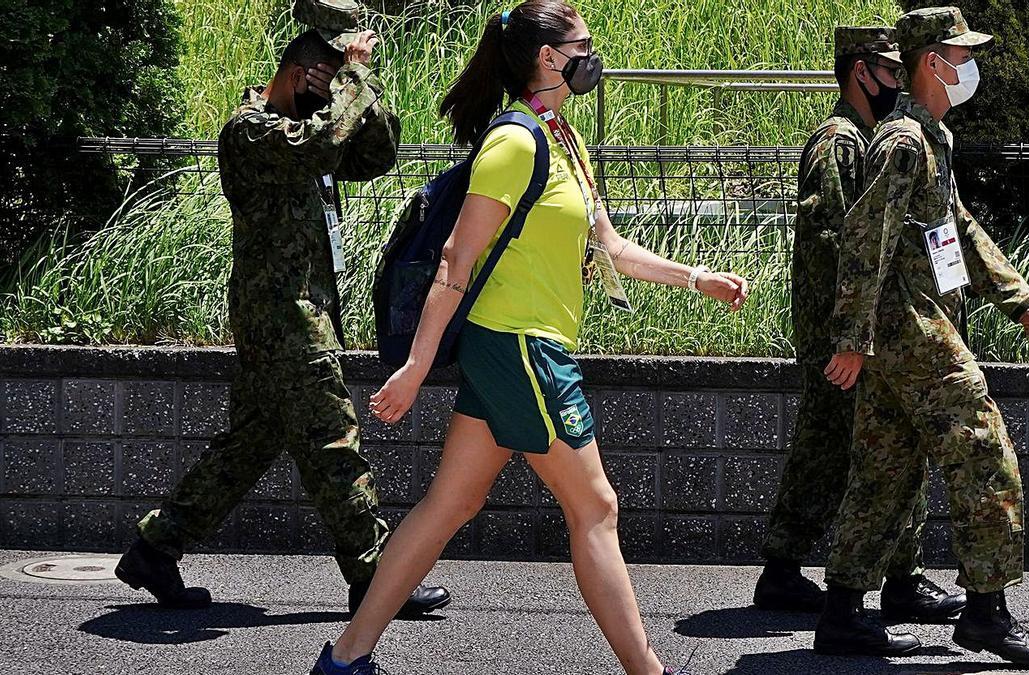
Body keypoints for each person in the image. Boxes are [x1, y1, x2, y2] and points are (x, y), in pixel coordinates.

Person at [309, 2, 748, 673]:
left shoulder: (563, 138)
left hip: (522, 344)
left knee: (452, 502)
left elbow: (612, 248)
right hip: (520, 346)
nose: (593, 55)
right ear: (548, 56)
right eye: (584, 44)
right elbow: (457, 260)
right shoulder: (514, 141)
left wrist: (697, 278)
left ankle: (344, 657)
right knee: (596, 505)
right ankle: (648, 669)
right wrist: (416, 366)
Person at [114, 1, 449, 620]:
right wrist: (350, 80)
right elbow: (323, 141)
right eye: (326, 84)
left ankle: (155, 549)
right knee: (331, 437)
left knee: (246, 445)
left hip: (303, 311)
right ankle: (374, 573)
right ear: (300, 74)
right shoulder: (255, 130)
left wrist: (358, 85)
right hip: (283, 317)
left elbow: (377, 156)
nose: (334, 100)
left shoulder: (309, 131)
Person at [813, 7, 1029, 664]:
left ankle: (841, 610)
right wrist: (851, 336)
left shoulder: (932, 140)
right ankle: (987, 610)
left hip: (911, 325)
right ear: (933, 63)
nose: (969, 67)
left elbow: (959, 227)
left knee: (884, 468)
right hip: (909, 326)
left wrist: (1017, 299)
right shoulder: (902, 145)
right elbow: (866, 237)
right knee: (985, 451)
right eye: (961, 55)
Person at [755, 26, 964, 625]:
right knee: (871, 448)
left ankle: (800, 570)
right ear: (860, 73)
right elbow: (839, 238)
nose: (900, 83)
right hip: (844, 328)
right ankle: (888, 578)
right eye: (891, 72)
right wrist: (857, 331)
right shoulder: (840, 143)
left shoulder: (872, 139)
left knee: (848, 448)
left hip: (851, 325)